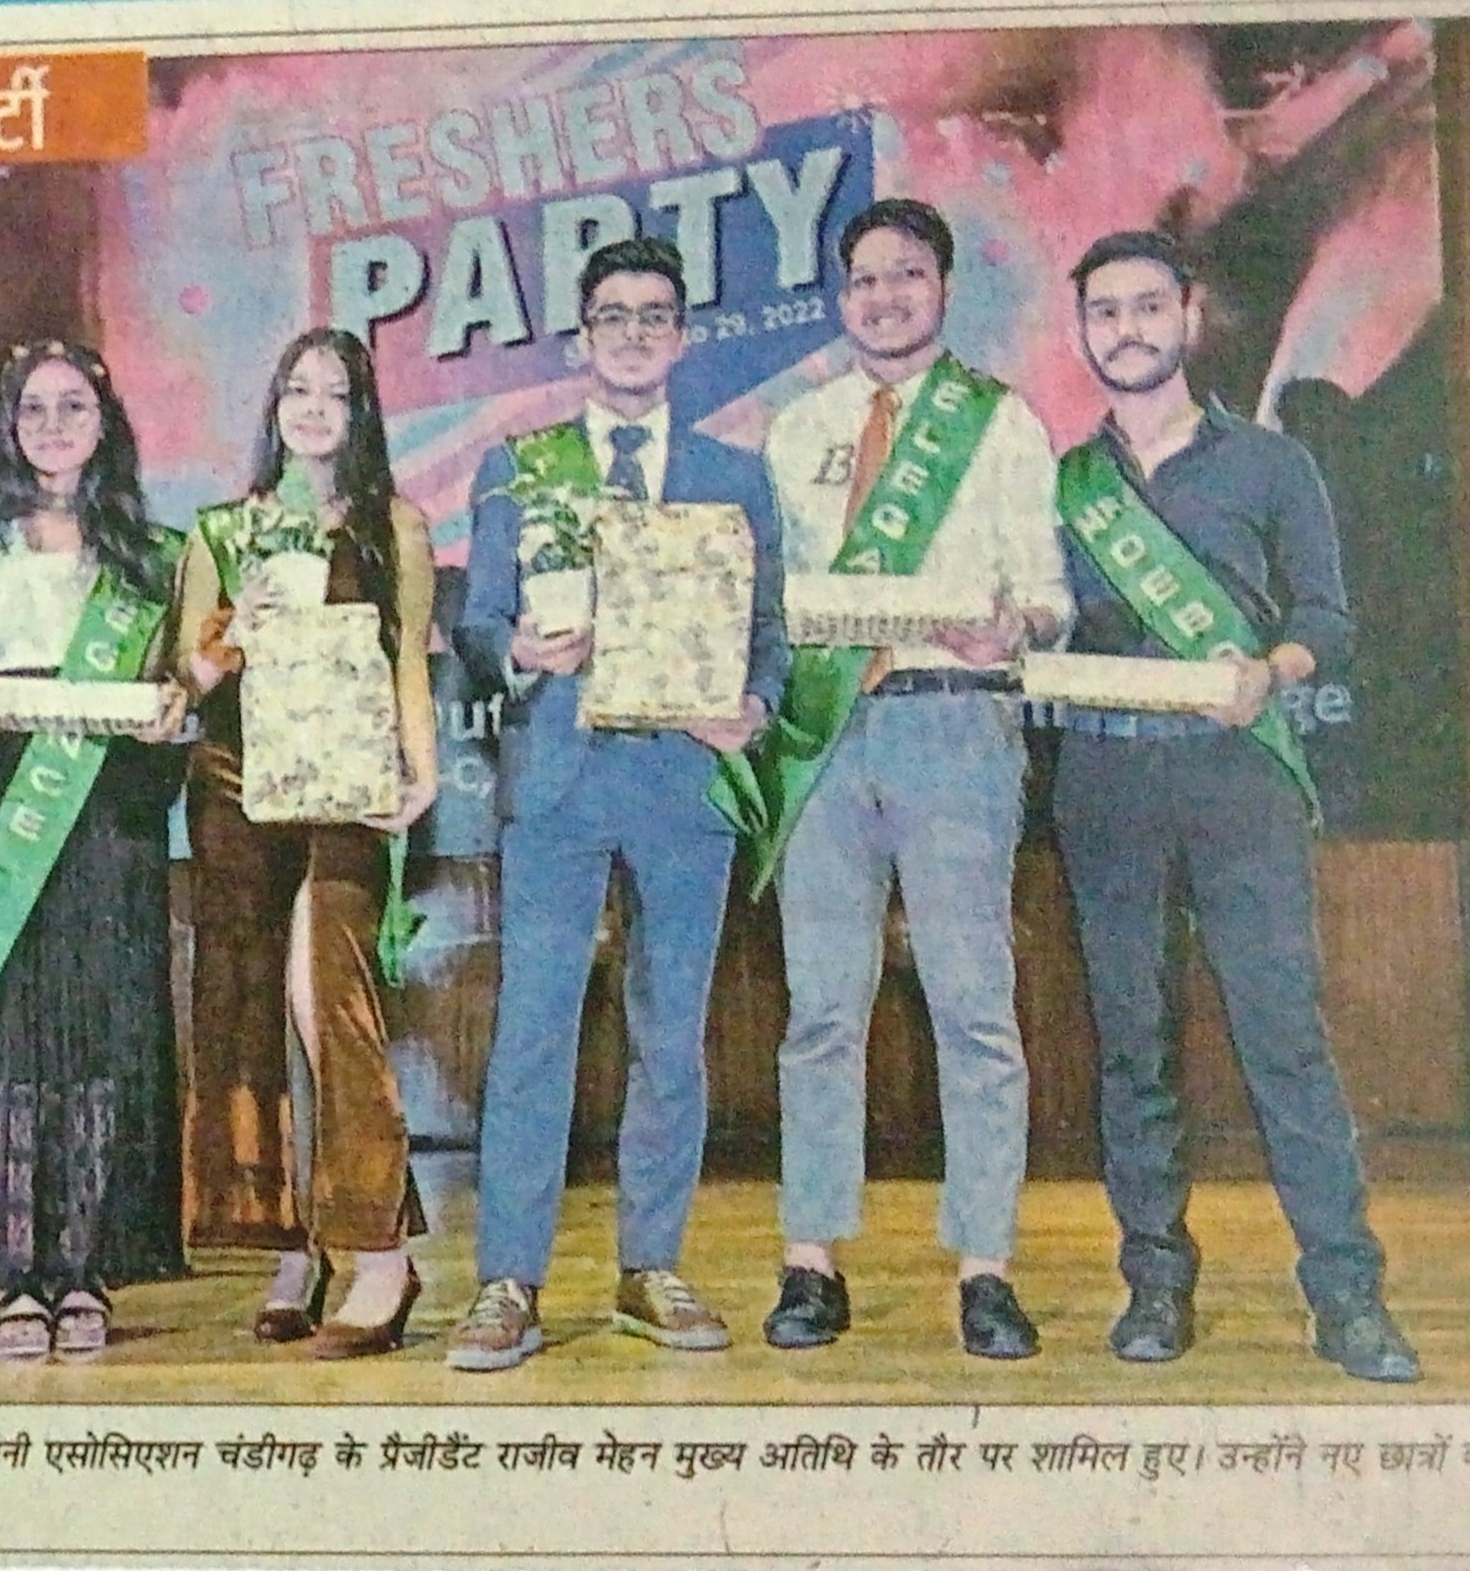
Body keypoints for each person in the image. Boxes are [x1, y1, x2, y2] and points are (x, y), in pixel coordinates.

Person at [1045, 229, 1415, 1382]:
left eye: (1146, 306)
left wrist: (1273, 670)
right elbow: (1033, 621)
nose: (1126, 330)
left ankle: (1348, 1299)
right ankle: (1155, 1286)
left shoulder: (1269, 465)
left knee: (1283, 1040)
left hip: (1237, 778)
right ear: (1083, 330)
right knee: (1132, 1048)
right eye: (1104, 312)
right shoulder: (1059, 484)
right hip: (1104, 781)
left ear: (1188, 315)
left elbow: (1327, 619)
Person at [450, 235, 788, 1374]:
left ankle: (652, 1266)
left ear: (682, 337)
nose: (634, 334)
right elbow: (475, 623)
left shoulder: (735, 475)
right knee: (531, 1029)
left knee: (671, 1032)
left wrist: (753, 703)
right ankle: (508, 1279)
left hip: (682, 779)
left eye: (654, 316)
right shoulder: (519, 465)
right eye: (613, 316)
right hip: (558, 776)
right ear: (580, 338)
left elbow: (771, 633)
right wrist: (518, 649)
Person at [740, 198, 1069, 1361]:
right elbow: (769, 596)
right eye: (864, 279)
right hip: (828, 737)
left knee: (974, 1007)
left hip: (955, 724)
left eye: (907, 275)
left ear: (943, 288)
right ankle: (810, 1261)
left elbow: (1048, 594)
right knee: (821, 1009)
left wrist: (1012, 626)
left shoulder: (1002, 423)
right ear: (841, 297)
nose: (884, 297)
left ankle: (985, 1270)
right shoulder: (797, 430)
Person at [174, 327, 442, 1357]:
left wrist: (421, 772)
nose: (314, 407)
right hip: (236, 780)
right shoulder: (223, 530)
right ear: (274, 405)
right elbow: (190, 676)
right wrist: (233, 633)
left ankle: (380, 1251)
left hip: (345, 784)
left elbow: (407, 662)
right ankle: (295, 1246)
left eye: (336, 392)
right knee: (252, 1017)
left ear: (361, 412)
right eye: (298, 389)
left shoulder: (393, 527)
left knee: (327, 1000)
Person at [0, 340, 192, 1361]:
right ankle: (14, 1276)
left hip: (108, 807)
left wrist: (171, 710)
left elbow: (171, 686)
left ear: (104, 422)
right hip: (3, 801)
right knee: (9, 1046)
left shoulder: (149, 555)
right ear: (8, 425)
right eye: (33, 408)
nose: (52, 425)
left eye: (72, 406)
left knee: (98, 1044)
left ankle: (84, 1267)